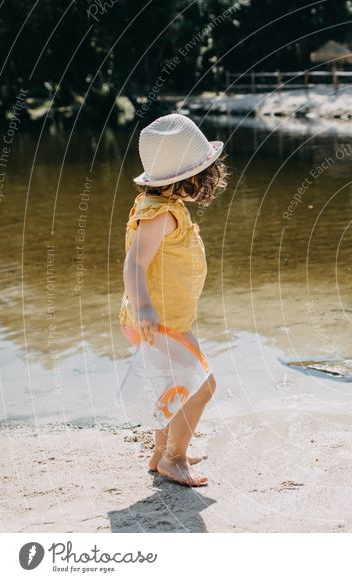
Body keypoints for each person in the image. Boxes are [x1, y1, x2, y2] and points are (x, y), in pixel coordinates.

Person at [119, 114, 228, 486]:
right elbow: (133, 266)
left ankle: (160, 454)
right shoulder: (161, 215)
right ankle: (174, 458)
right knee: (200, 386)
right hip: (160, 318)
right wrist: (146, 309)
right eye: (203, 172)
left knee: (174, 384)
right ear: (187, 177)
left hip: (169, 316)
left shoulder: (157, 206)